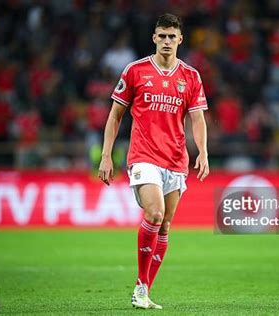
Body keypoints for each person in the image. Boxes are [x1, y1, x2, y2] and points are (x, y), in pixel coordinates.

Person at [98, 13, 209, 309]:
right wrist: (106, 154)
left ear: (180, 40)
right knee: (156, 213)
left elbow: (197, 119)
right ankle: (142, 287)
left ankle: (142, 288)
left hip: (176, 160)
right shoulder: (135, 71)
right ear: (154, 38)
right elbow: (115, 116)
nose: (167, 41)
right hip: (144, 156)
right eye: (162, 36)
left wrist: (203, 151)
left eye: (172, 36)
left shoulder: (191, 76)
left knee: (165, 226)